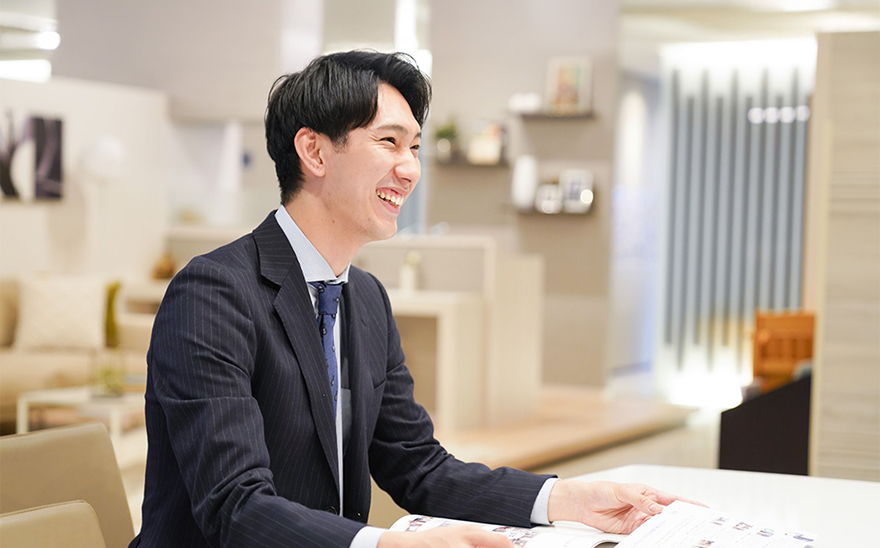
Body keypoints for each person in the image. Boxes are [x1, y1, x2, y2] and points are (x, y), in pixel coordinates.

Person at [130, 50, 688, 548]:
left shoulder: (365, 298)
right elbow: (235, 507)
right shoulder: (214, 294)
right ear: (314, 151)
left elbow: (418, 466)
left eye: (415, 147)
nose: (411, 169)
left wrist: (568, 500)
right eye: (390, 142)